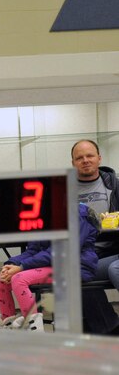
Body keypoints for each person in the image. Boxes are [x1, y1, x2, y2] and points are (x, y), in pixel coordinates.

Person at [0, 204, 99, 331]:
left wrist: (22, 267)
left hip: (75, 267)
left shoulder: (77, 214)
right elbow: (32, 251)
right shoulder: (39, 215)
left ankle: (34, 331)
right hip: (49, 265)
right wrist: (11, 264)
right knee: (0, 280)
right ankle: (8, 328)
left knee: (19, 279)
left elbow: (61, 251)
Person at [69, 140, 119, 334]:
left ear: (99, 158)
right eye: (79, 158)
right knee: (76, 273)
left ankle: (107, 329)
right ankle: (111, 328)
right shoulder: (65, 190)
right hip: (82, 255)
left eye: (90, 156)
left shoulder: (114, 186)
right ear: (73, 162)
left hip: (112, 253)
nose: (85, 161)